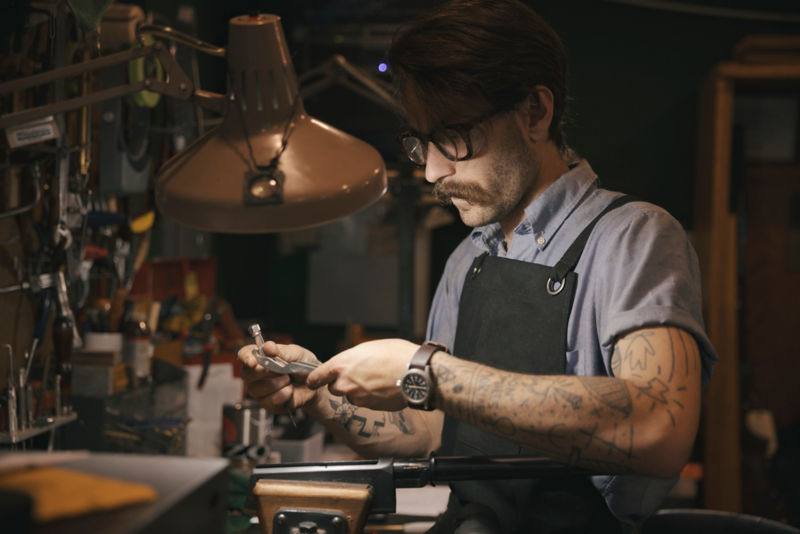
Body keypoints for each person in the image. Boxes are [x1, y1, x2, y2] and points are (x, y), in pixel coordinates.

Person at [238, 1, 717, 532]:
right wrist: (320, 395)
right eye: (423, 142)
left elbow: (658, 427)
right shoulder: (470, 259)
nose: (433, 172)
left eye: (454, 136)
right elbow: (429, 429)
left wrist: (426, 373)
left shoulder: (635, 237)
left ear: (535, 112)